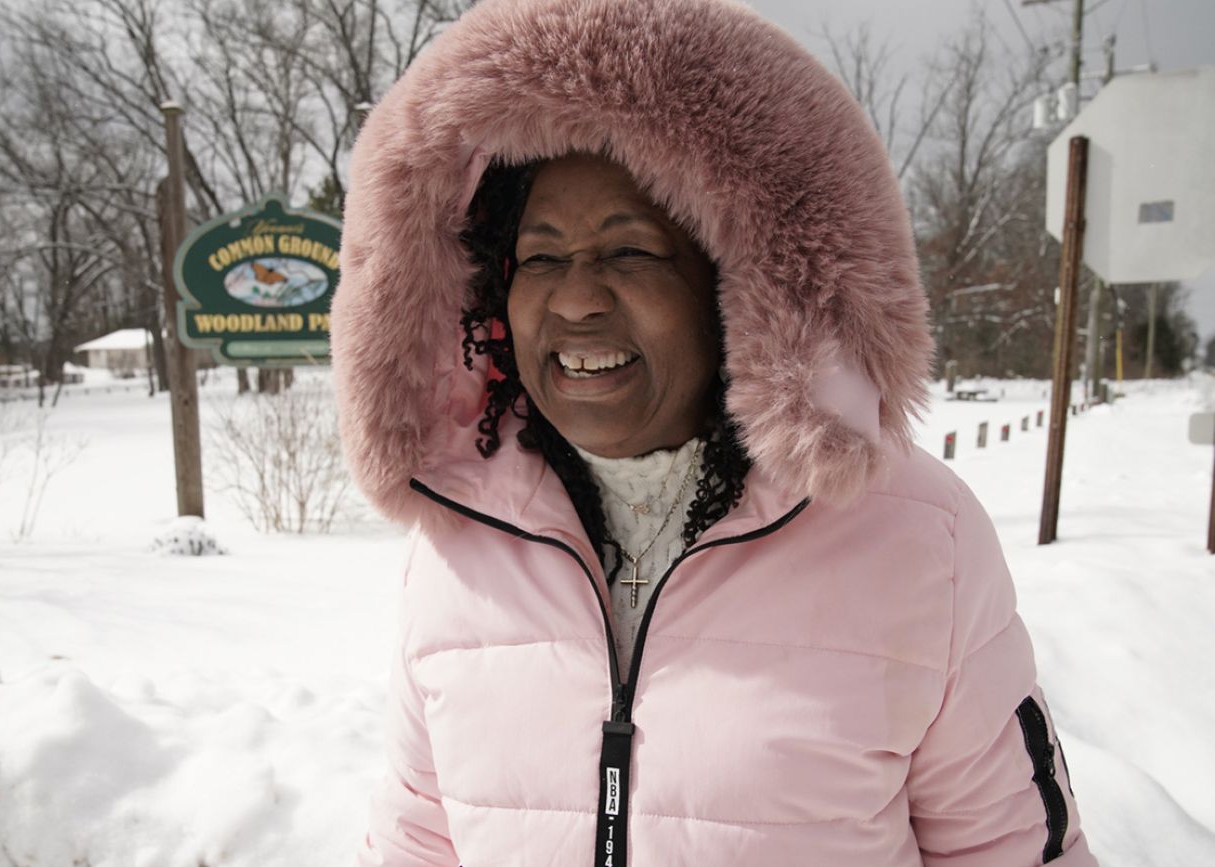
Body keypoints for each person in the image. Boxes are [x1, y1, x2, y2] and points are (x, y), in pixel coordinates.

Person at [330, 0, 1098, 864]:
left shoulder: (918, 537)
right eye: (540, 257)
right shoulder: (459, 536)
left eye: (632, 250)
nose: (576, 298)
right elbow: (419, 839)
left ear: (742, 289)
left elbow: (1011, 849)